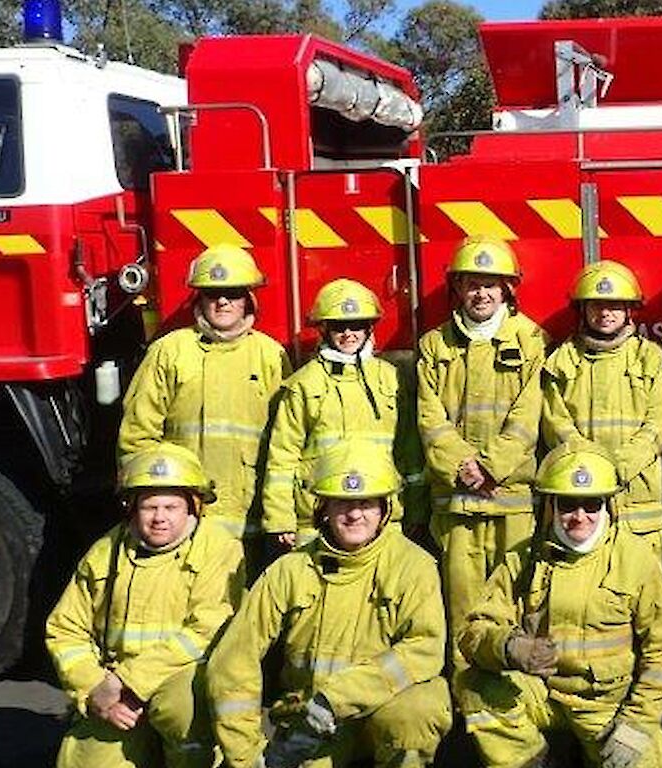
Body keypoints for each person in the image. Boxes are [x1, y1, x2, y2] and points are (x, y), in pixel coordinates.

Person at [207, 442, 451, 768]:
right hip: (307, 723)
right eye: (342, 503)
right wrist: (247, 757)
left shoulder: (414, 565)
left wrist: (333, 700)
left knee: (417, 712)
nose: (354, 514)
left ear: (384, 509)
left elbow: (424, 649)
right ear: (323, 508)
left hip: (380, 713)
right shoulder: (291, 569)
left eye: (365, 503)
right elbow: (235, 660)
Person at [459, 444, 662, 768]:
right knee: (474, 687)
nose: (580, 517)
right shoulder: (525, 558)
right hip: (541, 694)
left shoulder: (636, 560)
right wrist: (509, 647)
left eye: (591, 504)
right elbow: (474, 629)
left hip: (606, 704)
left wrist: (637, 725)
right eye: (568, 505)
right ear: (551, 505)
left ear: (608, 505)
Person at [46, 443, 245, 768]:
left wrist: (125, 681)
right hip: (115, 694)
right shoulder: (105, 553)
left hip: (179, 680)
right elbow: (64, 630)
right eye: (150, 507)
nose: (160, 518)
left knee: (183, 707)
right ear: (131, 508)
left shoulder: (220, 549)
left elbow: (208, 629)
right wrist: (94, 690)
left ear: (193, 508)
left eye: (171, 507)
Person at [415, 234, 547, 723]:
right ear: (459, 289)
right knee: (462, 610)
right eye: (473, 284)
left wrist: (490, 465)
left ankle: (522, 709)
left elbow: (529, 413)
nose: (482, 294)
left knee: (517, 605)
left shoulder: (531, 341)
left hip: (511, 500)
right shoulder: (434, 346)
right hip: (457, 503)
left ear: (508, 291)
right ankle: (469, 710)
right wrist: (461, 466)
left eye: (491, 285)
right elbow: (430, 419)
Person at [119, 244, 289, 540]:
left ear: (248, 299)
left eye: (233, 292)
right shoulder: (168, 351)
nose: (223, 301)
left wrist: (283, 512)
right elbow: (137, 436)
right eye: (212, 293)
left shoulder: (270, 356)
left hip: (250, 514)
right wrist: (149, 503)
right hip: (186, 517)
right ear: (200, 297)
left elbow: (288, 442)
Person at [262, 278, 418, 550]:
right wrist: (280, 518)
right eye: (338, 326)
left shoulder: (391, 379)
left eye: (356, 325)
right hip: (316, 515)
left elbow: (410, 449)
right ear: (324, 329)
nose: (348, 333)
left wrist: (416, 509)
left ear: (369, 327)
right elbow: (283, 455)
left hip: (383, 513)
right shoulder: (304, 383)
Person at [543, 260, 662, 557]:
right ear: (583, 309)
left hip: (638, 502)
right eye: (596, 305)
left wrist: (618, 469)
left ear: (629, 310)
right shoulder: (562, 361)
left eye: (614, 305)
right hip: (580, 501)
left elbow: (657, 425)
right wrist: (593, 472)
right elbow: (556, 424)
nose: (605, 313)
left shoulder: (649, 357)